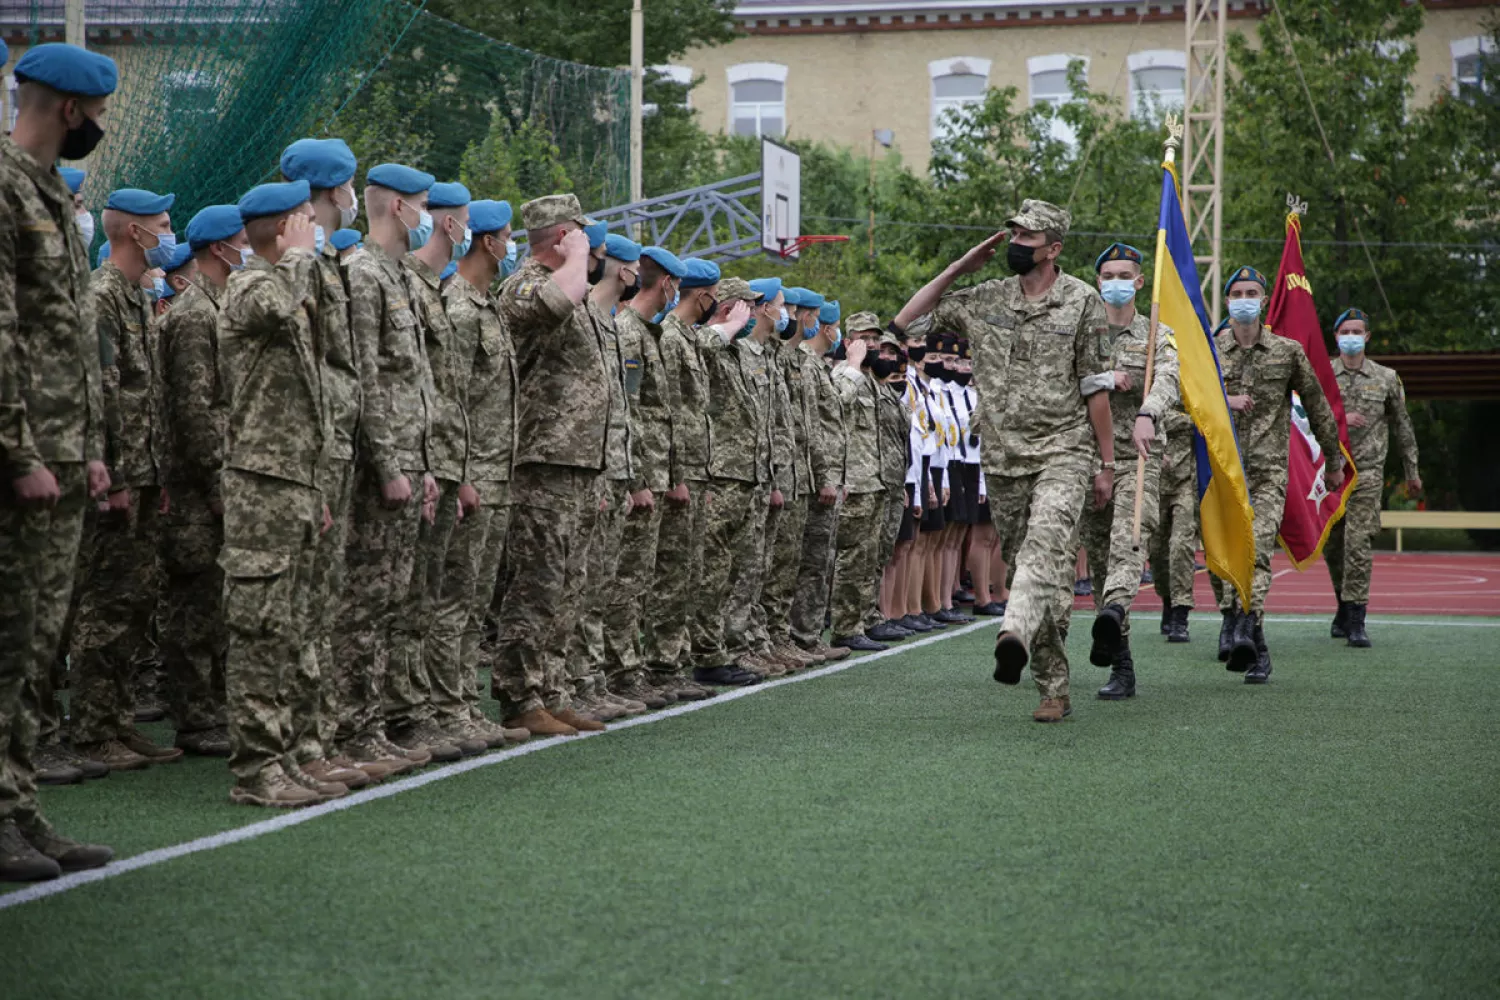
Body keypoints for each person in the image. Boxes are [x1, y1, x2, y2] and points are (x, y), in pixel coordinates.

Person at [894, 200, 1117, 723]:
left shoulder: (1082, 302)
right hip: (1003, 457)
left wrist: (1105, 464)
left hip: (1064, 450)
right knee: (1033, 570)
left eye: (1028, 238)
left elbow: (1095, 390)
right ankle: (1054, 688)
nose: (1016, 243)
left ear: (1054, 249)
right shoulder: (986, 297)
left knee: (1042, 549)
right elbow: (906, 321)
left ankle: (1012, 626)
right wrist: (958, 269)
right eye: (1013, 233)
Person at [0, 39, 118, 880]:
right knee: (9, 642)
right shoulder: (5, 186)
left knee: (38, 648)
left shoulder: (50, 193)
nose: (98, 128)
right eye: (97, 114)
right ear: (69, 109)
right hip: (25, 459)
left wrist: (94, 450)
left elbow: (72, 341)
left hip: (68, 454)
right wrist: (16, 450)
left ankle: (18, 806)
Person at [277, 137, 404, 785]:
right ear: (335, 190)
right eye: (348, 185)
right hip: (291, 464)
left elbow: (349, 377)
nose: (353, 197)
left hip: (332, 457)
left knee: (321, 613)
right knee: (295, 615)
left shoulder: (327, 266)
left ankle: (317, 743)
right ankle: (290, 750)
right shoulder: (288, 267)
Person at [215, 180, 342, 807]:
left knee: (294, 628)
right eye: (304, 220)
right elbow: (268, 307)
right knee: (261, 628)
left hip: (295, 481)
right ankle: (256, 768)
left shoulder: (288, 286)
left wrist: (316, 482)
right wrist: (295, 257)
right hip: (259, 485)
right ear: (281, 226)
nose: (314, 230)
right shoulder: (251, 284)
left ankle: (290, 753)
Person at [336, 162, 446, 767]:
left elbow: (414, 385)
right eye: (422, 204)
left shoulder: (398, 276)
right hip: (378, 471)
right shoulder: (364, 275)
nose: (426, 216)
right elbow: (364, 380)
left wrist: (422, 465)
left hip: (408, 463)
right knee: (361, 606)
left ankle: (369, 726)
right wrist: (388, 464)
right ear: (397, 208)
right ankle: (350, 731)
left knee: (389, 604)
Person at [490, 193, 610, 735]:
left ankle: (552, 689)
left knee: (568, 584)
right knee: (537, 583)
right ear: (561, 236)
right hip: (542, 458)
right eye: (580, 233)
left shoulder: (572, 286)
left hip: (578, 459)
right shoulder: (524, 284)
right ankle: (519, 697)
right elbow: (555, 303)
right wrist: (577, 257)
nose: (590, 244)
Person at [70, 185, 180, 768]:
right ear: (134, 232)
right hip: (115, 476)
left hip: (141, 471)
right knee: (104, 606)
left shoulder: (137, 296)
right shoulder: (102, 296)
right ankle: (90, 731)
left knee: (134, 602)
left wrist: (152, 474)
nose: (169, 232)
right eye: (162, 224)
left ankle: (114, 719)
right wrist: (110, 476)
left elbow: (147, 394)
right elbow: (99, 394)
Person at [390, 180, 486, 755]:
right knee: (409, 597)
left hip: (441, 464)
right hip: (416, 463)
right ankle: (405, 711)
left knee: (428, 594)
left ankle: (423, 706)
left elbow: (446, 395)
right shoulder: (415, 289)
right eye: (455, 217)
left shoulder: (431, 291)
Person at [1212, 265, 1344, 681]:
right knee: (1223, 556)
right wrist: (1223, 400)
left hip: (1269, 473)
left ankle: (1247, 625)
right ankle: (1247, 633)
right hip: (1223, 473)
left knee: (1255, 548)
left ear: (1265, 299)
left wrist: (1334, 462)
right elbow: (1188, 404)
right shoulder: (1210, 351)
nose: (1245, 299)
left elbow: (1319, 407)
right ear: (1227, 300)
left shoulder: (1287, 351)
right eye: (1237, 293)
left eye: (1253, 291)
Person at [433, 199, 529, 747]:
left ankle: (463, 705)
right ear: (488, 242)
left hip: (497, 478)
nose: (510, 245)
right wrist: (463, 473)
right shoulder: (461, 310)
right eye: (506, 236)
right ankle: (446, 708)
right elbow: (452, 400)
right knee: (454, 600)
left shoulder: (486, 306)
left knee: (473, 602)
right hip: (472, 476)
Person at [603, 245, 716, 706]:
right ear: (668, 283)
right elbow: (628, 410)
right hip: (642, 475)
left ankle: (647, 666)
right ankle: (621, 670)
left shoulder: (649, 334)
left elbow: (668, 415)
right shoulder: (630, 333)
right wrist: (638, 479)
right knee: (628, 581)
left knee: (654, 577)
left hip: (662, 472)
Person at [154, 204, 245, 758]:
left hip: (218, 480)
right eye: (241, 241)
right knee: (195, 605)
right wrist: (217, 485)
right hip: (194, 491)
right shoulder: (194, 315)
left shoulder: (224, 306)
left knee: (218, 601)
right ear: (218, 249)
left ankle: (216, 706)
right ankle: (196, 715)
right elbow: (195, 411)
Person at [1079, 243, 1181, 701]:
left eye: (1125, 274)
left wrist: (1149, 411)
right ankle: (1122, 663)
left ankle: (1115, 611)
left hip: (1138, 455)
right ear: (1098, 280)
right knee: (1100, 562)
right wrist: (1104, 380)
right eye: (1108, 274)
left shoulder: (1157, 332)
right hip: (1087, 459)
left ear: (1139, 282)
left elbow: (1168, 378)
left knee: (1129, 540)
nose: (1116, 281)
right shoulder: (1082, 332)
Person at [564, 230, 644, 720]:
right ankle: (575, 682)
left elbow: (622, 410)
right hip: (589, 470)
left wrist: (627, 475)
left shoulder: (609, 323)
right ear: (623, 269)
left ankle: (589, 680)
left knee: (598, 584)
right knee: (580, 584)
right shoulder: (585, 316)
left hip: (611, 470)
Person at [1324, 308, 1420, 648]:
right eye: (1345, 331)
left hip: (1367, 472)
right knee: (1334, 547)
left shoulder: (1386, 378)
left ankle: (1356, 619)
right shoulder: (1321, 376)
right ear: (1336, 337)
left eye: (1357, 331)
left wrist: (1412, 472)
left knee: (1357, 543)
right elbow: (1302, 420)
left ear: (1367, 337)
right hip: (1330, 475)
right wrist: (1339, 420)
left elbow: (1403, 425)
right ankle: (1342, 604)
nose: (1351, 336)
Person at [691, 275, 771, 681]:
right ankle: (706, 653)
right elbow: (698, 346)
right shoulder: (709, 341)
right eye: (748, 306)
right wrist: (726, 326)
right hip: (719, 474)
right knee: (713, 568)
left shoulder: (741, 352)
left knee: (738, 569)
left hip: (745, 476)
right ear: (729, 309)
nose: (755, 313)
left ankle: (729, 645)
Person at [829, 312, 897, 652]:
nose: (870, 344)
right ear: (847, 341)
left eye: (874, 338)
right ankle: (845, 626)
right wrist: (853, 365)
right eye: (862, 337)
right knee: (851, 559)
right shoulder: (845, 373)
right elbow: (837, 405)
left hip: (875, 481)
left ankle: (863, 619)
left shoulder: (871, 379)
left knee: (869, 558)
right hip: (854, 482)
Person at [787, 294, 849, 664]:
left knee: (819, 563)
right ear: (827, 327)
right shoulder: (807, 366)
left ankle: (808, 635)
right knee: (808, 564)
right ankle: (802, 635)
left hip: (822, 476)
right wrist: (825, 477)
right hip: (811, 478)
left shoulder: (816, 366)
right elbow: (811, 429)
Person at [1148, 397, 1198, 644]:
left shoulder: (1196, 380)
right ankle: (1167, 599)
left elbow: (1209, 415)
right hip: (1156, 477)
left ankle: (1180, 613)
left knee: (1181, 545)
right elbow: (1152, 417)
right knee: (1157, 551)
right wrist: (1191, 420)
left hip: (1188, 477)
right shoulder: (1157, 384)